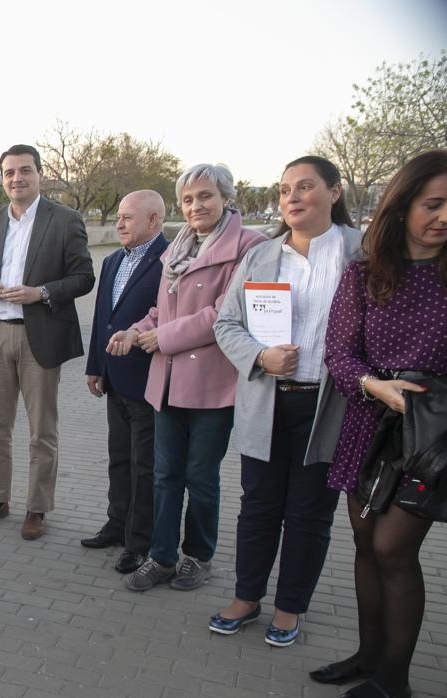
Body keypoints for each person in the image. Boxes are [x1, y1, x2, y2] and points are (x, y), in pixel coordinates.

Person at [313, 150, 447, 698]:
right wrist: (373, 385)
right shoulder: (365, 274)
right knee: (366, 542)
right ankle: (369, 657)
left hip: (432, 435)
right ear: (402, 206)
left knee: (394, 548)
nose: (443, 217)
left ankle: (395, 680)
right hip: (369, 425)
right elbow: (338, 353)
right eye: (433, 204)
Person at [212, 156, 361, 647]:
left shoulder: (362, 254)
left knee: (309, 514)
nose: (292, 198)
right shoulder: (261, 255)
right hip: (267, 401)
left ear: (334, 192)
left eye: (304, 186)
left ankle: (290, 606)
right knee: (257, 507)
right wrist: (260, 357)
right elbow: (225, 323)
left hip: (330, 407)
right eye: (283, 190)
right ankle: (246, 596)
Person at [109, 163, 265, 592]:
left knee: (200, 477)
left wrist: (163, 337)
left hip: (212, 384)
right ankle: (161, 557)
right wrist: (137, 330)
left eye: (206, 196)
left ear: (226, 198)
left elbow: (224, 315)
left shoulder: (250, 246)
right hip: (167, 380)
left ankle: (198, 556)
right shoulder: (177, 249)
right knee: (164, 475)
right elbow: (164, 311)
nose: (197, 206)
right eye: (189, 199)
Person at [0, 144, 95, 540]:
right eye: (9, 173)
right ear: (2, 179)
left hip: (39, 336)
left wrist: (40, 293)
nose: (16, 179)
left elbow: (84, 277)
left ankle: (37, 508)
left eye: (25, 171)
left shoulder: (65, 220)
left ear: (39, 175)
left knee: (42, 430)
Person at [82, 190, 168, 574]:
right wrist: (95, 365)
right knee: (119, 459)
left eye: (128, 218)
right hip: (114, 379)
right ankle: (116, 525)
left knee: (144, 466)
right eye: (118, 216)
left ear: (154, 221)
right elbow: (104, 317)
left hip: (147, 379)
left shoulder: (170, 260)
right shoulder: (113, 260)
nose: (118, 224)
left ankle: (139, 541)